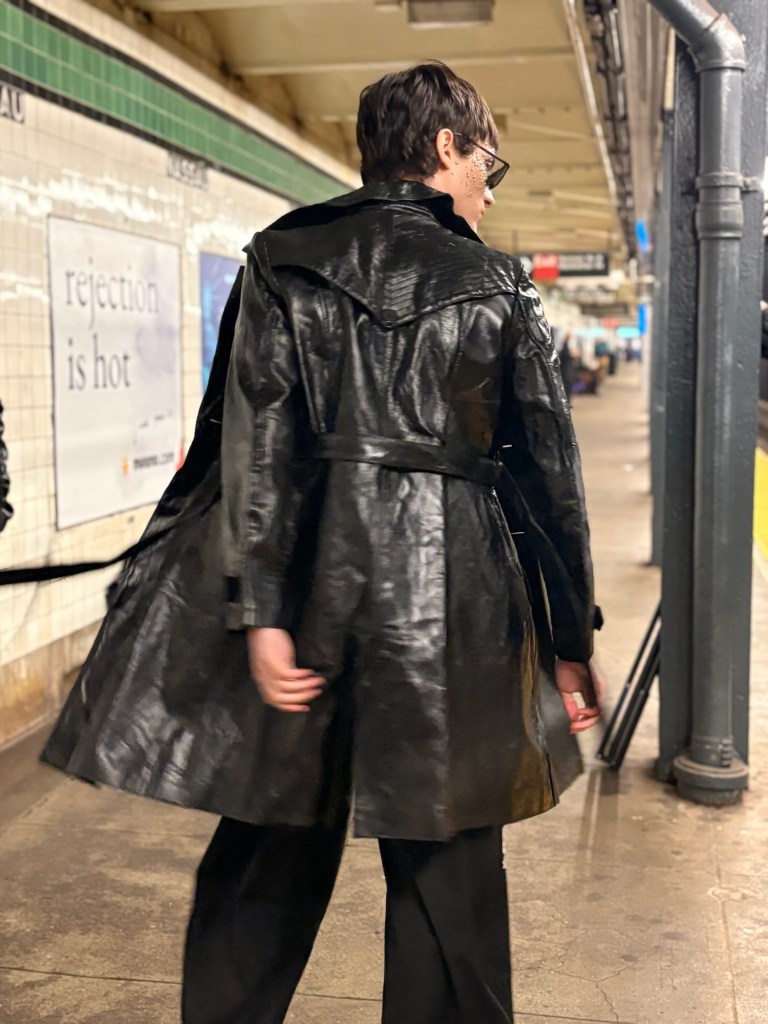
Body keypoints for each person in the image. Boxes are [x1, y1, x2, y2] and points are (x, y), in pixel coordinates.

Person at [42, 62, 601, 1024]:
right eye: (487, 163)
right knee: (448, 861)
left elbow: (250, 445)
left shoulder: (283, 257)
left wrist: (259, 611)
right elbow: (549, 474)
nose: (487, 187)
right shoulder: (498, 282)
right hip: (452, 596)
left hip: (312, 587)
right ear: (446, 147)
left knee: (270, 839)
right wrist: (568, 637)